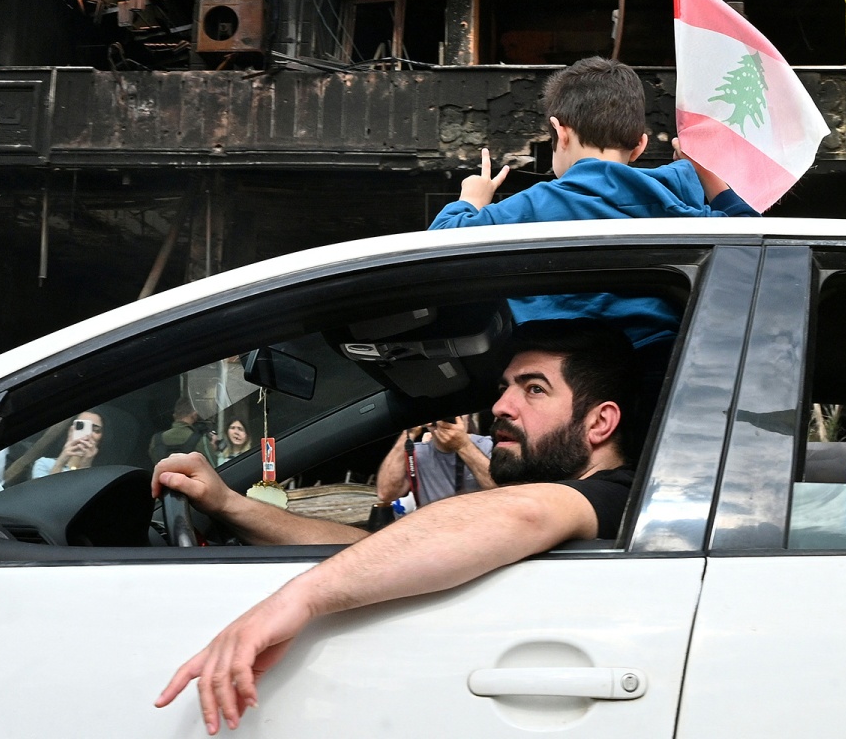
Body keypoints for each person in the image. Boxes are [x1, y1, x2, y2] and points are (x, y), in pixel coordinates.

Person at [152, 320, 638, 734]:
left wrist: (295, 599)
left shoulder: (618, 496)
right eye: (505, 388)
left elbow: (522, 511)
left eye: (534, 389)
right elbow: (373, 549)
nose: (501, 408)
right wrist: (227, 503)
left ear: (599, 423)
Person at [428, 57, 758, 349]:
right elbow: (753, 247)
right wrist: (709, 177)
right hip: (659, 367)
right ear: (640, 146)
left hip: (564, 375)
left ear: (560, 132)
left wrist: (471, 198)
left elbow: (439, 247)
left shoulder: (534, 207)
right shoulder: (678, 201)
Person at [375, 414, 495, 506]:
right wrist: (409, 433)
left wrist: (463, 446)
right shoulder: (415, 454)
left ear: (467, 416)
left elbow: (505, 492)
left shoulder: (487, 446)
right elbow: (385, 494)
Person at [32, 411, 105, 478]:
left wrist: (85, 467)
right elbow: (46, 491)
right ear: (71, 431)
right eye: (81, 426)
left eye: (96, 430)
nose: (87, 435)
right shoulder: (44, 464)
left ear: (102, 437)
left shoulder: (103, 473)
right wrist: (59, 464)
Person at [150, 398, 217, 465]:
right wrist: (211, 449)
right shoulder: (201, 441)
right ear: (194, 415)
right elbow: (214, 469)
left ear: (174, 416)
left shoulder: (156, 440)